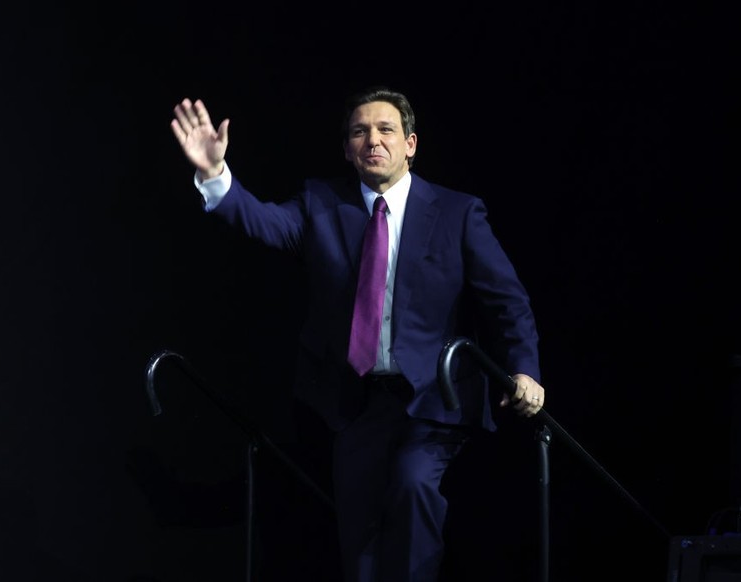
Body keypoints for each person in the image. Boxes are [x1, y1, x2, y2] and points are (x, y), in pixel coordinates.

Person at [170, 85, 545, 582]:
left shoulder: (457, 212)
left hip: (432, 399)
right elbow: (264, 222)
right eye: (359, 132)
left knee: (413, 488)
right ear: (347, 148)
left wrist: (524, 370)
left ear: (410, 143)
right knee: (359, 531)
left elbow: (506, 300)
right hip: (356, 402)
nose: (373, 140)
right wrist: (216, 175)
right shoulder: (320, 204)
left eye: (386, 129)